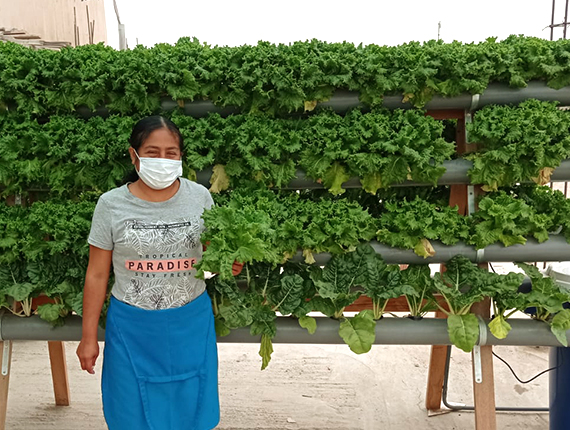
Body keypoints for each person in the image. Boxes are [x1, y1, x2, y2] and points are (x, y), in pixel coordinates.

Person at [76, 115, 242, 430]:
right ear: (133, 154)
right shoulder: (110, 205)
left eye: (171, 153)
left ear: (181, 157)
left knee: (191, 405)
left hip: (189, 323)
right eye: (152, 152)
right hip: (131, 328)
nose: (162, 160)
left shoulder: (200, 198)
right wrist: (88, 338)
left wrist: (227, 264)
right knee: (129, 411)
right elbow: (96, 275)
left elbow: (211, 253)